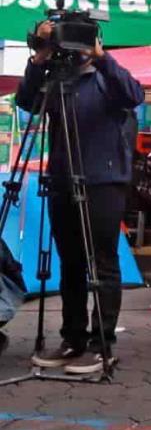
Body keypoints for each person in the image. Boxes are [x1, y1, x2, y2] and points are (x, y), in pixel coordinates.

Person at [20, 22, 144, 376]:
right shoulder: (58, 79)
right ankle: (72, 338)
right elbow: (27, 102)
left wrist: (101, 58)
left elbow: (133, 95)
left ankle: (102, 344)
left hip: (103, 182)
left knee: (102, 262)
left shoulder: (107, 77)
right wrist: (39, 59)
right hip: (62, 179)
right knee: (70, 262)